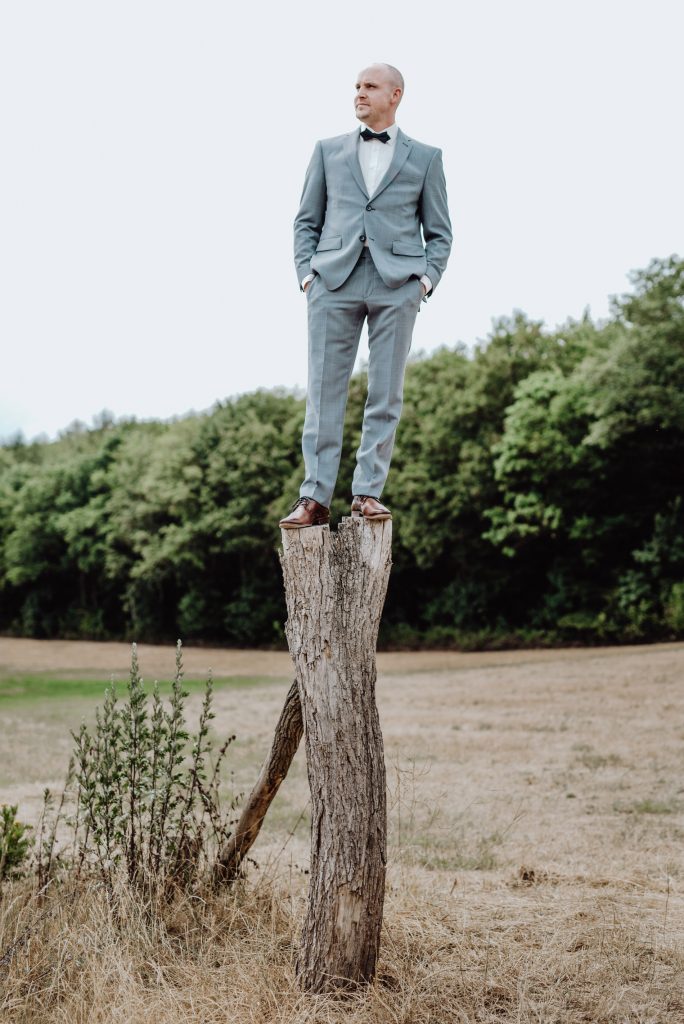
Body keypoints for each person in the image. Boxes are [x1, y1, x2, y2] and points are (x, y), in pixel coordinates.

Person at [280, 63, 452, 529]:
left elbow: (440, 233)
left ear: (395, 95)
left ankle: (367, 493)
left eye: (370, 86)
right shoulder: (327, 150)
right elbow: (305, 220)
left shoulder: (426, 157)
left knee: (385, 393)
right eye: (356, 86)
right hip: (331, 282)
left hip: (398, 284)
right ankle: (314, 497)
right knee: (322, 392)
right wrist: (306, 276)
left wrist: (425, 281)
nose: (359, 93)